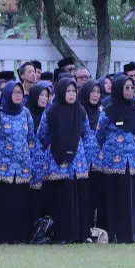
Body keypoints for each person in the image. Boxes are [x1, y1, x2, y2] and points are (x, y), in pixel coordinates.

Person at [0, 82, 38, 244]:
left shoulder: (26, 113)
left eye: (20, 92)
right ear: (7, 94)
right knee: (3, 201)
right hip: (1, 166)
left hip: (22, 165)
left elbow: (31, 137)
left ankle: (19, 235)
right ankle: (1, 235)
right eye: (15, 92)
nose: (18, 95)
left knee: (19, 201)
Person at [38, 78, 95, 243]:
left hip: (77, 162)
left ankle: (78, 235)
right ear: (62, 92)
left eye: (73, 91)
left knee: (76, 197)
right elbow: (42, 134)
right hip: (56, 161)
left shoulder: (80, 111)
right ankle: (60, 235)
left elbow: (87, 133)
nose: (71, 94)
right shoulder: (51, 111)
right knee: (60, 198)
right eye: (68, 91)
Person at [93, 75, 135, 244]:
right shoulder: (108, 110)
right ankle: (115, 234)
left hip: (133, 160)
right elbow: (99, 135)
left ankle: (132, 235)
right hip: (114, 161)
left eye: (132, 87)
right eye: (126, 87)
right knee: (117, 197)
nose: (130, 91)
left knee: (132, 196)